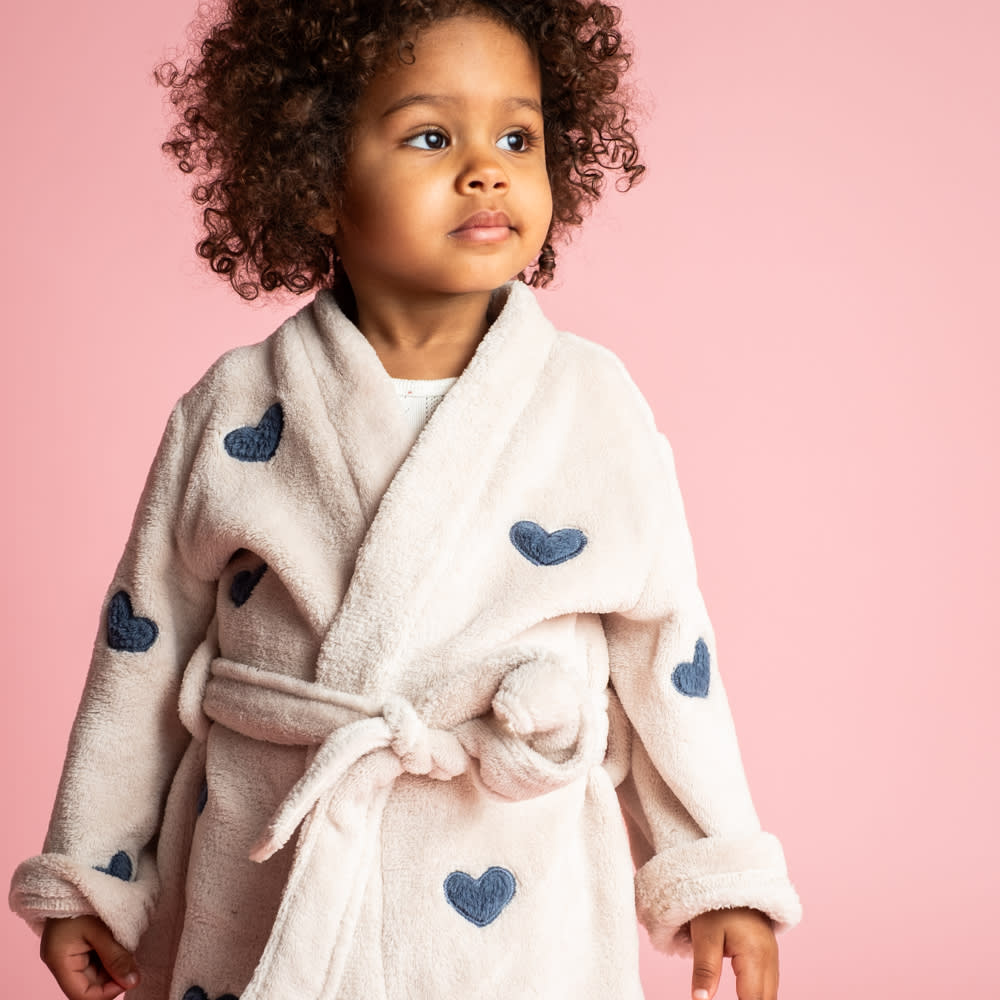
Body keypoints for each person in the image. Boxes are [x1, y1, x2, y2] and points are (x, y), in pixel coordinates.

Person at [10, 2, 801, 999]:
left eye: (516, 138)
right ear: (316, 184)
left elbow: (666, 655)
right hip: (274, 857)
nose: (486, 170)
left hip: (515, 881)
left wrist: (715, 868)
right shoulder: (234, 405)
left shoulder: (594, 406)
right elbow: (143, 648)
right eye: (431, 136)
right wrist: (91, 873)